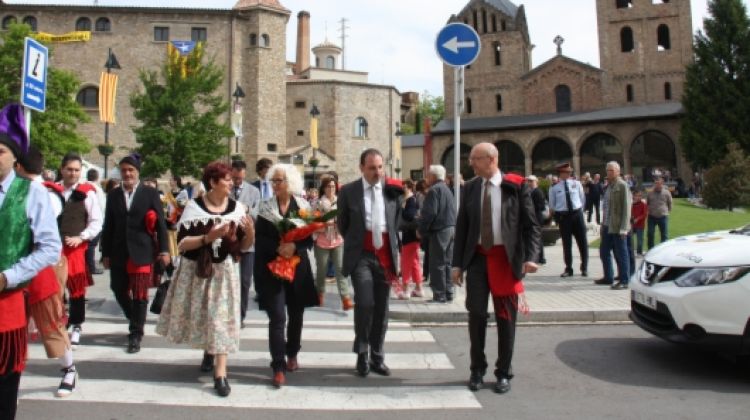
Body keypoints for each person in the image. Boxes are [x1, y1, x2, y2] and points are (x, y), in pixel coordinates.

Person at [157, 161, 254, 397]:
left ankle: (221, 374)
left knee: (221, 320)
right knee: (206, 319)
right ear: (212, 182)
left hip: (225, 271)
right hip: (199, 270)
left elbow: (244, 245)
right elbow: (181, 244)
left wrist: (250, 233)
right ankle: (209, 352)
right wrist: (207, 238)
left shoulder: (237, 208)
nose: (231, 183)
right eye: (227, 179)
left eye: (231, 179)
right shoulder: (194, 207)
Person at [451, 142, 540, 395]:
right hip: (478, 260)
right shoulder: (469, 188)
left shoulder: (515, 186)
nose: (470, 163)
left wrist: (531, 257)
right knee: (476, 314)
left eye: (474, 159)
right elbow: (463, 229)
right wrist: (457, 264)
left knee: (506, 319)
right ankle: (477, 369)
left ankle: (503, 372)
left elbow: (531, 225)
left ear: (491, 159)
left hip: (505, 260)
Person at [0, 105, 62, 417]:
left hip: (7, 301)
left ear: (14, 157)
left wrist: (9, 276)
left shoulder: (31, 193)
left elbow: (50, 247)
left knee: (4, 382)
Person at [16, 146, 78, 398]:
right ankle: (11, 376)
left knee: (50, 321)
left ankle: (69, 369)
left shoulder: (45, 194)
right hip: (15, 267)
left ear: (18, 166)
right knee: (11, 326)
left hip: (42, 267)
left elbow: (40, 237)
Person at [338, 149, 401, 378]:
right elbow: (342, 223)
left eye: (380, 167)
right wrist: (356, 243)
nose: (377, 172)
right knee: (365, 303)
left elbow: (396, 221)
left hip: (385, 255)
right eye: (372, 167)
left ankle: (377, 355)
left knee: (382, 308)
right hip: (362, 255)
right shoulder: (348, 191)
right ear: (361, 167)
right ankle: (362, 353)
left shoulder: (392, 191)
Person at [254, 163, 319, 388]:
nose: (275, 185)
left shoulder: (302, 207)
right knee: (277, 317)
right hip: (272, 269)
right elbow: (260, 238)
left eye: (279, 181)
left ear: (289, 183)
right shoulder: (265, 208)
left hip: (297, 269)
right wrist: (279, 246)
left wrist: (295, 247)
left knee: (296, 315)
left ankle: (292, 353)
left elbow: (309, 238)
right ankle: (278, 365)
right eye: (273, 181)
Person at [101, 153, 170, 354]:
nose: (127, 173)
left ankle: (135, 333)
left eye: (131, 170)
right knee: (118, 288)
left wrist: (164, 250)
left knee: (140, 293)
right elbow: (109, 225)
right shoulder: (113, 195)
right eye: (124, 170)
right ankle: (135, 318)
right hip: (118, 251)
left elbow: (161, 225)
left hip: (142, 250)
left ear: (138, 172)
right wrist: (105, 252)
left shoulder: (149, 194)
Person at [57, 153, 103, 348]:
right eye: (69, 169)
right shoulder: (51, 190)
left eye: (76, 170)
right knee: (55, 289)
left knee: (76, 289)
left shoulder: (87, 192)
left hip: (74, 249)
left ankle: (77, 324)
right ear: (62, 170)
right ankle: (60, 323)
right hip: (54, 249)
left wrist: (81, 237)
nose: (73, 173)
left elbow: (96, 221)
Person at [418, 165, 457, 303]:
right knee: (447, 262)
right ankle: (448, 291)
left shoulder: (434, 190)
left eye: (428, 175)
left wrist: (421, 230)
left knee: (437, 263)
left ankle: (439, 294)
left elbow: (430, 213)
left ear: (434, 176)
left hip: (440, 229)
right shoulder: (446, 189)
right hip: (450, 228)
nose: (427, 177)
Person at [313, 175, 353, 309]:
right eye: (328, 186)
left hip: (337, 240)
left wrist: (339, 223)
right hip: (322, 241)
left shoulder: (341, 202)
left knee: (341, 270)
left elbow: (347, 220)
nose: (331, 189)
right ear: (323, 188)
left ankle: (346, 299)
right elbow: (312, 222)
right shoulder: (317, 203)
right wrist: (324, 224)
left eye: (332, 186)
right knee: (321, 271)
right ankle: (319, 294)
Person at [230, 160, 261, 327]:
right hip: (229, 242)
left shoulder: (254, 191)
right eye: (234, 177)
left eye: (239, 178)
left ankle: (240, 316)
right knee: (229, 280)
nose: (236, 181)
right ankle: (228, 313)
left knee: (245, 281)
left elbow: (259, 212)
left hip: (248, 243)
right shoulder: (224, 188)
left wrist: (247, 209)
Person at [594, 162, 632, 289]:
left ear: (618, 171)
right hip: (607, 225)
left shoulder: (622, 185)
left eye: (611, 170)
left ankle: (624, 280)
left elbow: (627, 208)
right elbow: (606, 207)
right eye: (607, 170)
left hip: (617, 226)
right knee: (604, 251)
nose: (608, 172)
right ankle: (608, 276)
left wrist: (624, 228)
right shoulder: (609, 186)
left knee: (621, 253)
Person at [548, 162, 588, 277]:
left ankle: (584, 267)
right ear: (561, 173)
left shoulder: (577, 184)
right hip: (564, 217)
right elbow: (552, 204)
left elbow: (582, 199)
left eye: (569, 172)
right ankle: (568, 268)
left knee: (582, 242)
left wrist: (579, 211)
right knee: (567, 243)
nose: (568, 174)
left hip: (576, 214)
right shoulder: (554, 188)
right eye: (566, 172)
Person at [398, 179, 423, 299]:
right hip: (413, 236)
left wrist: (402, 208)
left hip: (410, 235)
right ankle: (419, 289)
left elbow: (409, 216)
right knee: (414, 262)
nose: (402, 189)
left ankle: (406, 290)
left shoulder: (411, 201)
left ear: (408, 188)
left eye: (404, 187)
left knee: (406, 263)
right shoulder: (411, 200)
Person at [86, 168, 105, 275]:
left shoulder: (83, 186)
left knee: (88, 246)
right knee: (91, 246)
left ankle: (88, 266)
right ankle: (91, 267)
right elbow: (101, 206)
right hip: (95, 220)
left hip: (85, 221)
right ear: (97, 177)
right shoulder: (96, 189)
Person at [646, 176, 672, 249]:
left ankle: (663, 250)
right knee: (650, 234)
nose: (657, 185)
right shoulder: (650, 193)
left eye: (659, 183)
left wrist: (667, 211)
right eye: (656, 183)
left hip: (663, 216)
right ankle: (650, 249)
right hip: (652, 216)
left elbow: (670, 203)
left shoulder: (667, 192)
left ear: (662, 184)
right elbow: (647, 203)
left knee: (664, 235)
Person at [526, 175, 547, 264]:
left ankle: (541, 257)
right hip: (531, 218)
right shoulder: (529, 192)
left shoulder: (538, 192)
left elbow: (541, 206)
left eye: (531, 181)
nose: (529, 183)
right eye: (528, 181)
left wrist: (531, 208)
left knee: (537, 238)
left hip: (537, 218)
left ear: (536, 182)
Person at [631, 189, 647, 256]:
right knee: (630, 239)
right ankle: (631, 251)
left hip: (640, 225)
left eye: (640, 196)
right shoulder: (631, 204)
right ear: (633, 196)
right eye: (636, 196)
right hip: (632, 225)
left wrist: (638, 219)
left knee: (639, 240)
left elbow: (645, 214)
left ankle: (639, 252)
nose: (638, 197)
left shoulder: (643, 204)